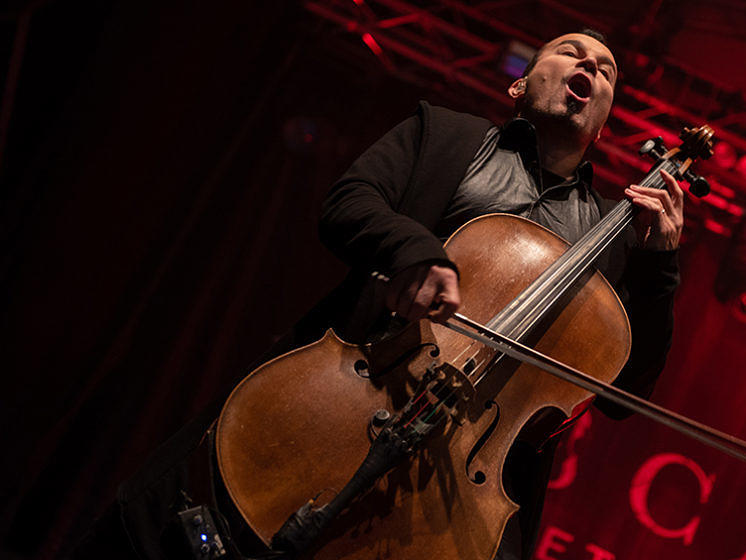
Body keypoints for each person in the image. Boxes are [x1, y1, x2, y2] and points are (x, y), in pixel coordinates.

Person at [73, 28, 683, 560]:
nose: (589, 68)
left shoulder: (612, 240)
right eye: (571, 53)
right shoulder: (445, 136)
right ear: (520, 85)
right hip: (352, 393)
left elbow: (624, 397)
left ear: (603, 123)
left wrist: (659, 270)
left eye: (604, 71)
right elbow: (349, 203)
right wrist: (416, 253)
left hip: (460, 478)